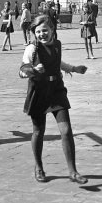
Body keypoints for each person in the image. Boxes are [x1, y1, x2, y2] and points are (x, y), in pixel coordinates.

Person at [19, 16, 88, 184]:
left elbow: (57, 63)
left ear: (52, 30)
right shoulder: (32, 48)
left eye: (45, 30)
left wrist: (73, 68)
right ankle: (39, 167)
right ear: (34, 33)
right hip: (39, 93)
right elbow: (22, 70)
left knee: (66, 131)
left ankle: (73, 171)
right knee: (38, 132)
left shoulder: (57, 45)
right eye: (38, 31)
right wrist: (33, 70)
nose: (42, 34)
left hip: (56, 91)